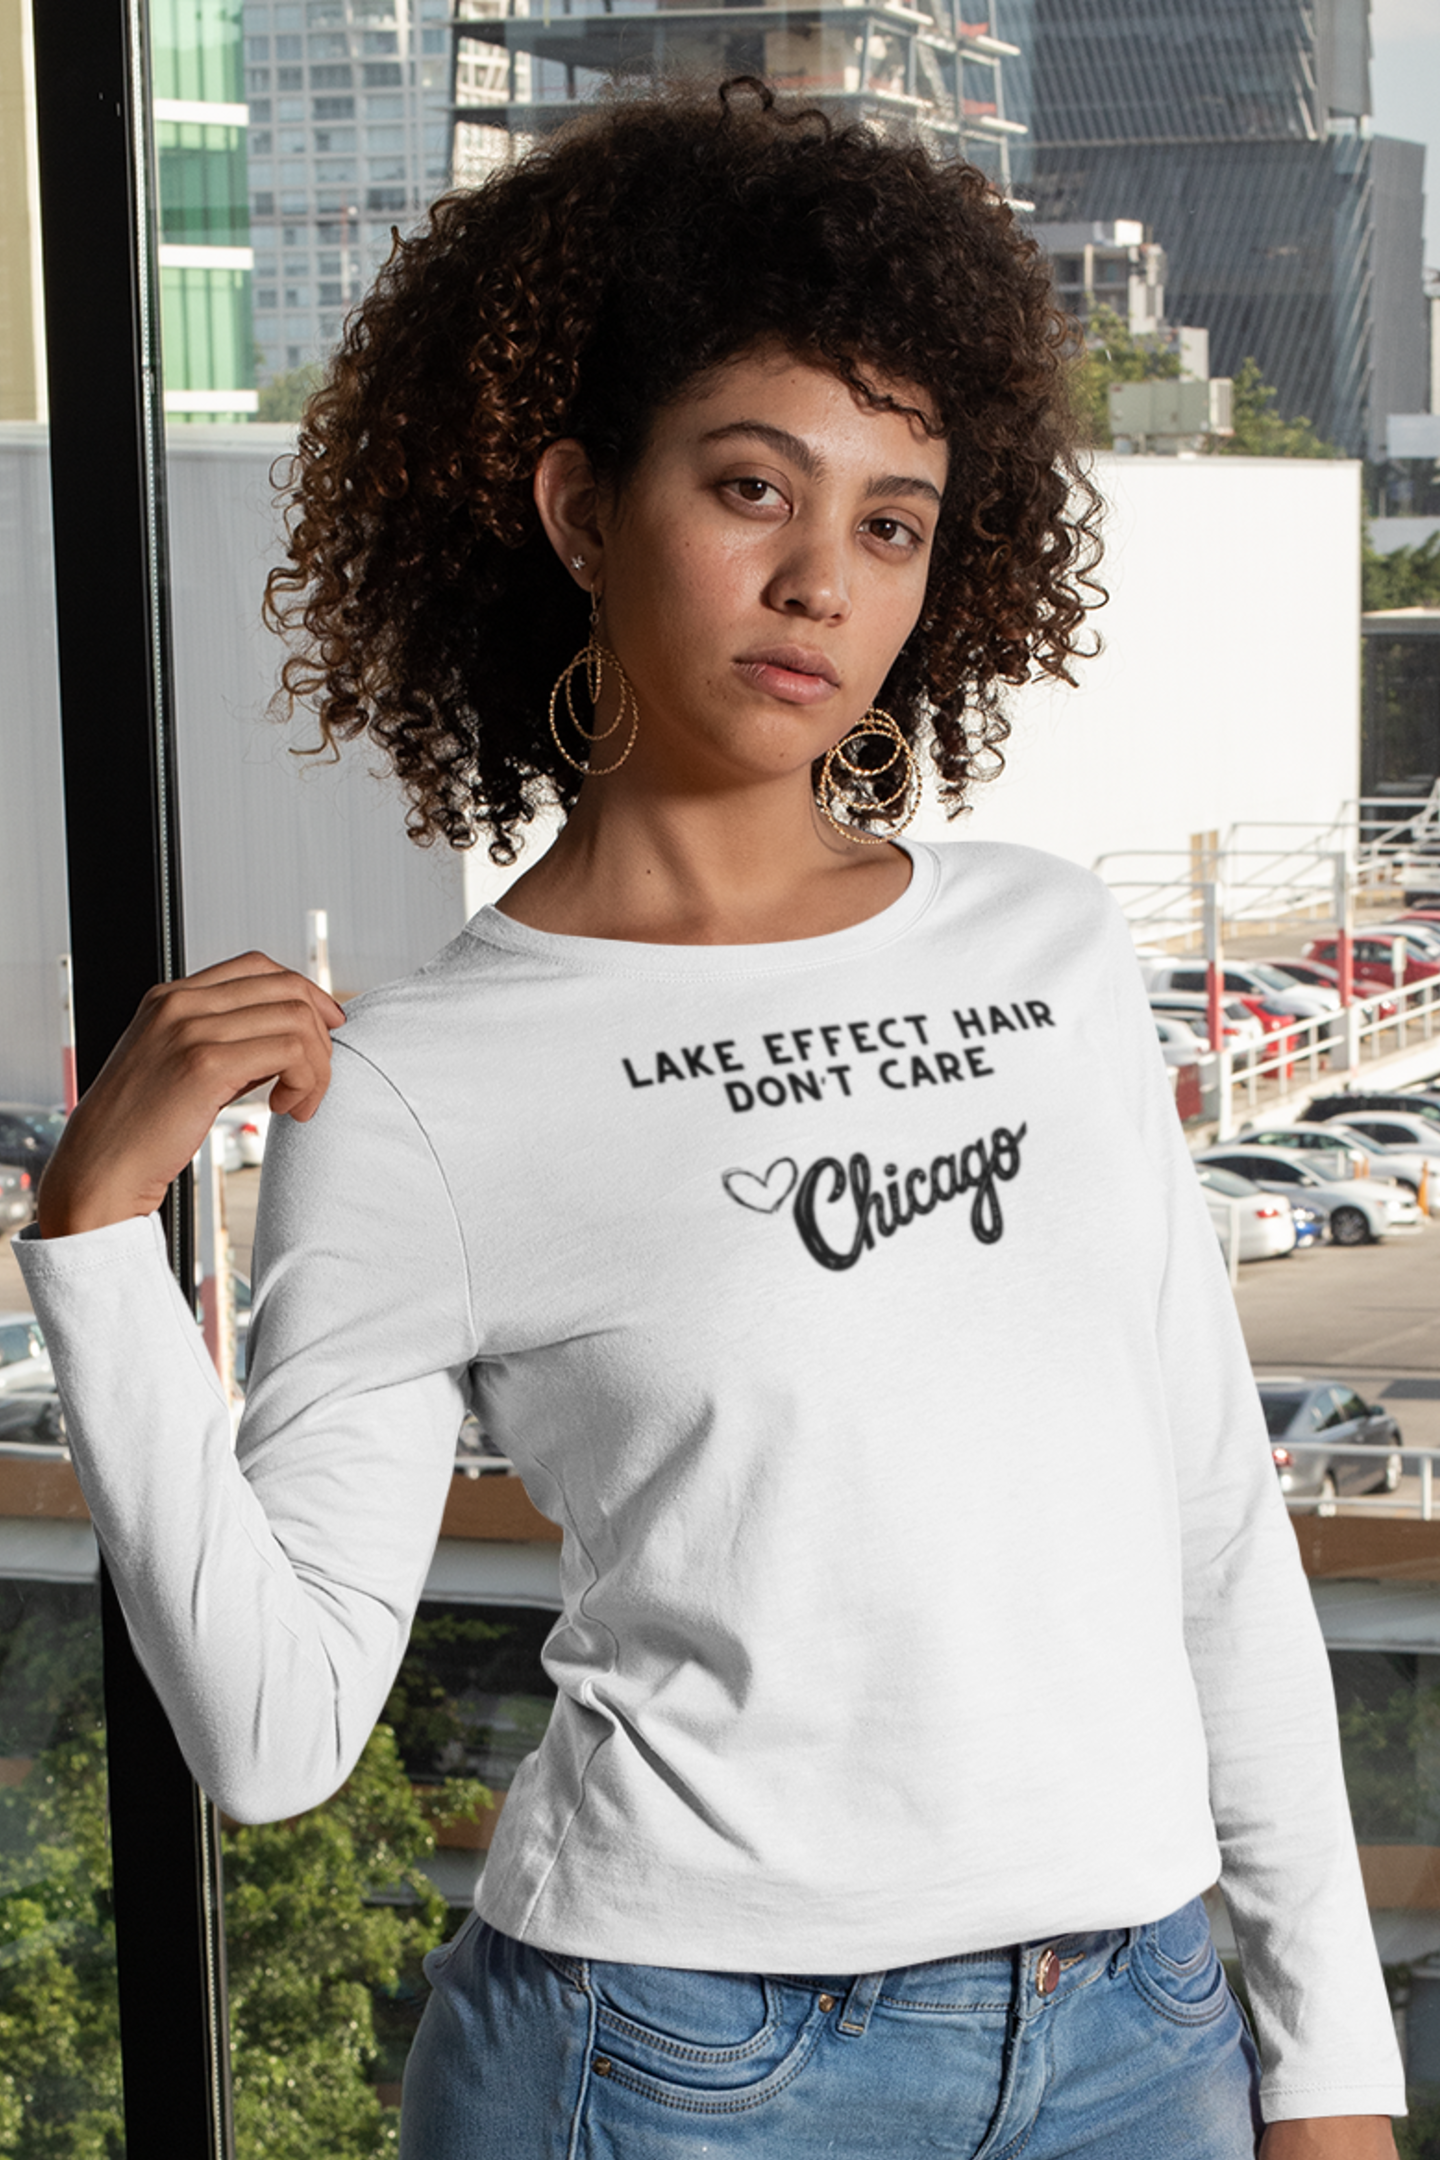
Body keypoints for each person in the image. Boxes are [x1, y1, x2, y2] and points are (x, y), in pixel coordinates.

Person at [24, 79, 1403, 2158]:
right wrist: (96, 1244)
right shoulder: (423, 1086)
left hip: (1135, 2035)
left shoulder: (1044, 950)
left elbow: (1215, 1525)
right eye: (751, 487)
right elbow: (275, 1730)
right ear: (584, 509)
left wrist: (1331, 2071)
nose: (818, 582)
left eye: (890, 521)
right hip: (669, 2074)